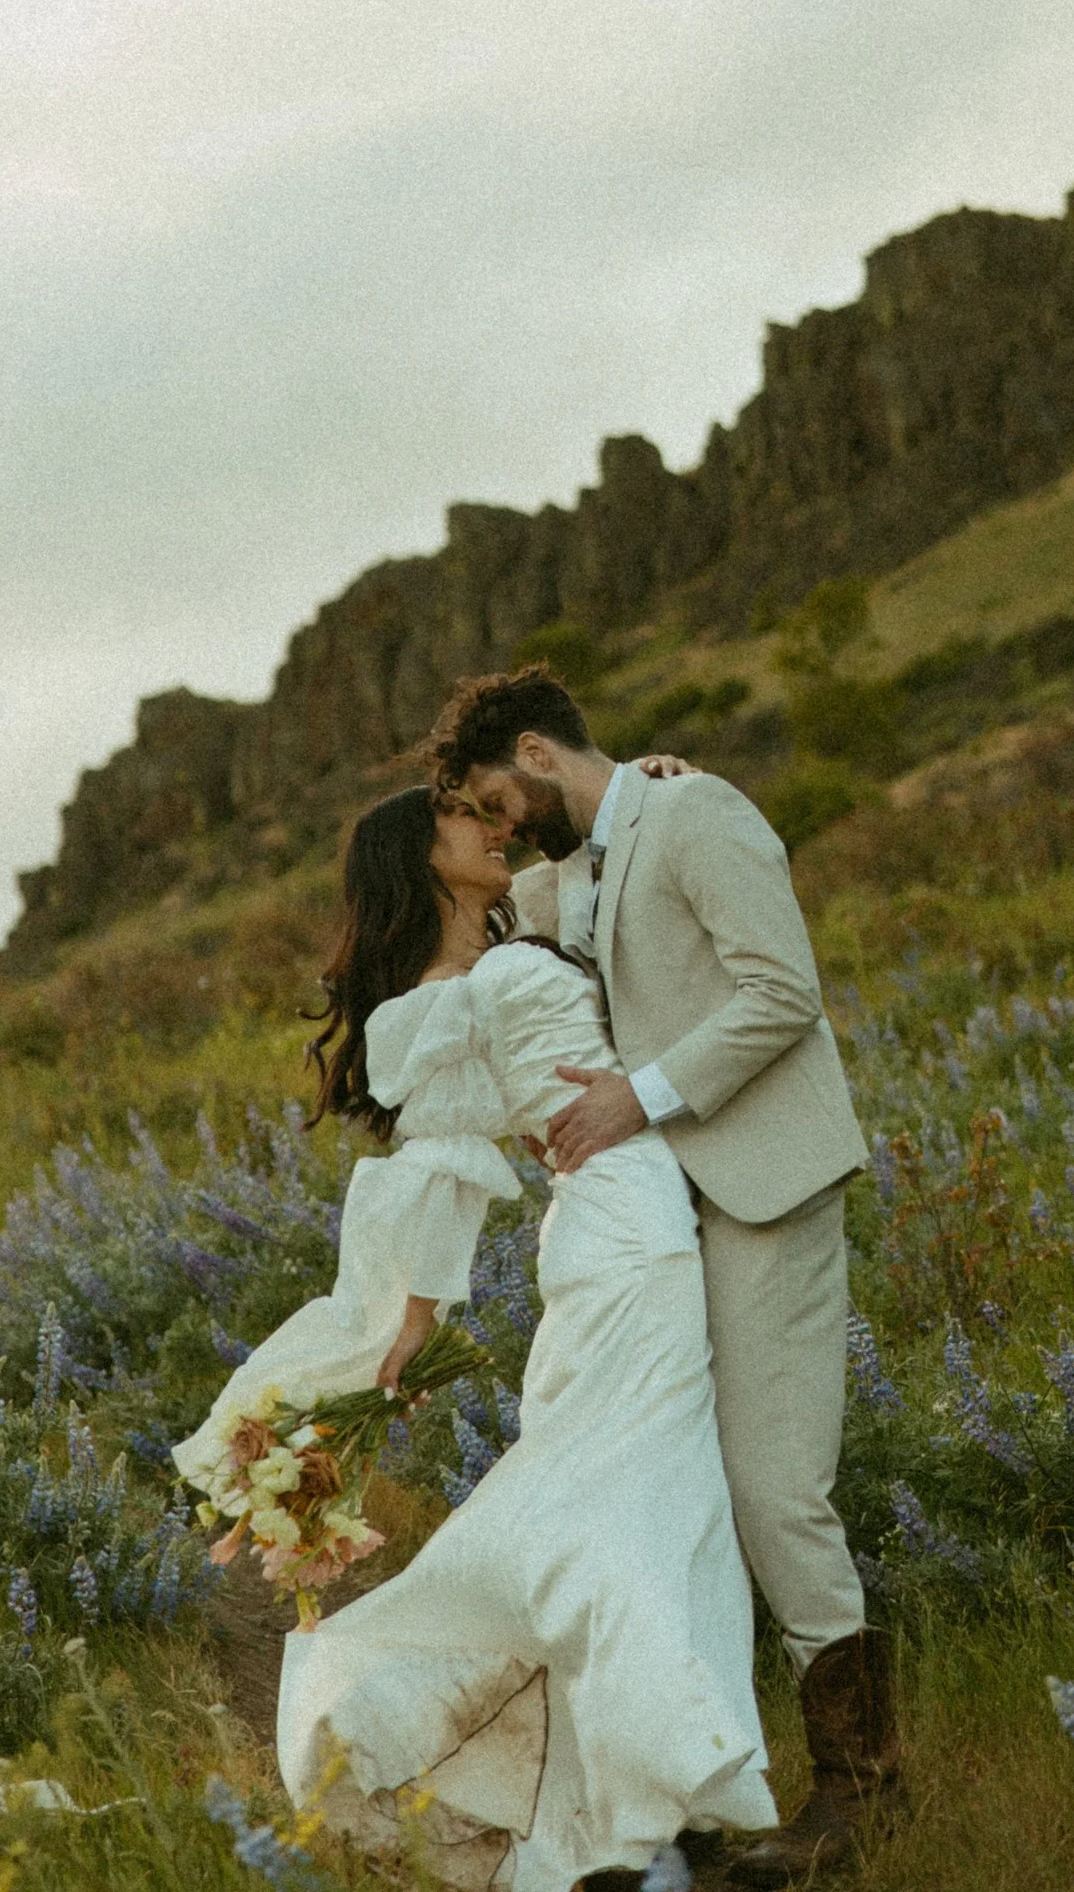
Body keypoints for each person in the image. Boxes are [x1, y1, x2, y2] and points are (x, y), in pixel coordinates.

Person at [175, 784, 778, 1891]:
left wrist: (656, 779)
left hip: (620, 1223)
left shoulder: (502, 950)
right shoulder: (459, 989)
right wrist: (410, 1313)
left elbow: (606, 854)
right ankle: (659, 1812)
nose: (492, 827)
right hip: (623, 1233)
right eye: (464, 821)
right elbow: (433, 1161)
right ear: (427, 858)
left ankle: (628, 1828)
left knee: (651, 1499)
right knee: (635, 1507)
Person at [425, 668, 896, 1888]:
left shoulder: (696, 813)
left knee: (771, 1485)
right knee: (670, 1494)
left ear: (537, 746)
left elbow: (781, 993)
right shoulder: (564, 870)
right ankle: (693, 1779)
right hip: (657, 1222)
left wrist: (638, 1093)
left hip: (760, 1185)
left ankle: (862, 1789)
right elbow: (456, 881)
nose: (504, 819)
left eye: (500, 792)